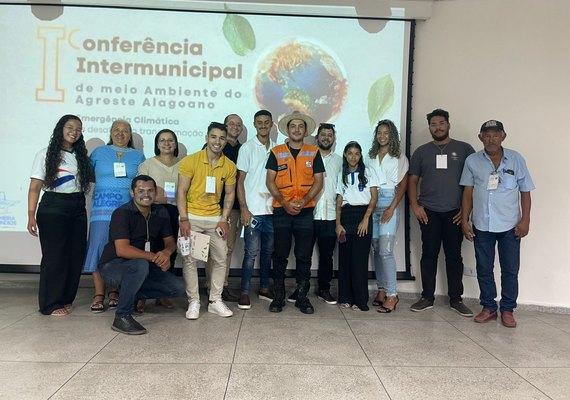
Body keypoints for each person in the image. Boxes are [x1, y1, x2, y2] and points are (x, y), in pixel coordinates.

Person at [460, 120, 534, 328]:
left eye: (495, 134)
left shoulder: (516, 159)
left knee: (510, 269)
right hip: (482, 224)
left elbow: (525, 192)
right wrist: (465, 220)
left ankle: (508, 309)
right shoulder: (472, 161)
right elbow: (468, 192)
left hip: (511, 226)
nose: (491, 139)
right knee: (484, 268)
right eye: (487, 135)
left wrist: (525, 220)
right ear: (480, 137)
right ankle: (489, 307)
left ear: (503, 136)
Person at [98, 175, 185, 335]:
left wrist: (166, 253)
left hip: (141, 267)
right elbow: (122, 250)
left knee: (177, 288)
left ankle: (131, 296)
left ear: (155, 192)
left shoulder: (161, 211)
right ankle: (122, 316)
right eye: (141, 190)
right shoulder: (122, 213)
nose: (146, 194)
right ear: (132, 192)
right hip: (113, 267)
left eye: (150, 190)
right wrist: (154, 257)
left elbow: (170, 242)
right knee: (140, 264)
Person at [408, 108, 475, 316]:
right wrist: (415, 206)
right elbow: (412, 181)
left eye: (441, 123)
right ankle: (427, 297)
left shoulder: (464, 149)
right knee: (428, 255)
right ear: (429, 127)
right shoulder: (421, 151)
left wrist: (465, 212)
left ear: (448, 125)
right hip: (429, 212)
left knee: (454, 256)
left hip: (455, 213)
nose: (438, 127)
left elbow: (472, 184)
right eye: (433, 124)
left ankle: (456, 299)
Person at [27, 114, 94, 316]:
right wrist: (31, 214)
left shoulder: (81, 156)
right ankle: (50, 303)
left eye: (78, 129)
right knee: (55, 256)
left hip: (77, 206)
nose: (74, 132)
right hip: (54, 206)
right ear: (60, 129)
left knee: (74, 255)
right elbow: (35, 187)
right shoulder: (46, 154)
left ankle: (65, 299)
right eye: (70, 127)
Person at [266, 111, 324, 314]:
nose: (297, 130)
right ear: (288, 130)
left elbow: (319, 181)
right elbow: (270, 181)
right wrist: (283, 202)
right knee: (280, 255)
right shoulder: (277, 152)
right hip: (281, 211)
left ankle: (302, 297)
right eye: (293, 126)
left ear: (306, 131)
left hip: (305, 211)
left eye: (301, 126)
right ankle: (278, 297)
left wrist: (305, 200)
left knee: (304, 256)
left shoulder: (313, 152)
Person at [84, 120, 145, 313]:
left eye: (125, 131)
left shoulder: (138, 156)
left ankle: (115, 291)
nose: (120, 134)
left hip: (127, 212)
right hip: (101, 210)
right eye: (116, 130)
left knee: (123, 250)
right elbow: (89, 175)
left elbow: (141, 183)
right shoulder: (99, 152)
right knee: (99, 248)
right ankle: (99, 293)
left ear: (130, 134)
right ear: (110, 133)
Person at [178, 122, 237, 320]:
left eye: (221, 138)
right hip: (192, 218)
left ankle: (215, 300)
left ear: (226, 141)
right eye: (213, 137)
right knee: (191, 260)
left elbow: (229, 195)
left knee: (221, 258)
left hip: (214, 219)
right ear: (206, 138)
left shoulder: (229, 165)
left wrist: (224, 219)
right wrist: (184, 218)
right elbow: (181, 191)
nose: (217, 142)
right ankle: (193, 301)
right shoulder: (191, 161)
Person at [288, 122, 342, 305]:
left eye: (330, 135)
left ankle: (324, 289)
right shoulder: (307, 155)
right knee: (303, 254)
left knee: (327, 256)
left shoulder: (339, 161)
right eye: (323, 135)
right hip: (308, 214)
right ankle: (300, 288)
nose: (326, 138)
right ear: (317, 137)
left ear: (333, 139)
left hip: (330, 216)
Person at [136, 129, 182, 312]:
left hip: (175, 212)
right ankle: (141, 295)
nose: (166, 143)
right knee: (150, 250)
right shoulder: (148, 164)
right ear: (156, 144)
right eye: (162, 140)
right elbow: (139, 190)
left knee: (170, 252)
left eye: (170, 140)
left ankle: (163, 294)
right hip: (152, 212)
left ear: (176, 143)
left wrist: (169, 199)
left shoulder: (184, 164)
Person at [365, 120, 408, 313]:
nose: (382, 136)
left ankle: (392, 294)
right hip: (372, 203)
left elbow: (403, 186)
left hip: (389, 202)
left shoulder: (400, 157)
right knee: (375, 249)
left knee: (385, 251)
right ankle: (381, 289)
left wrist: (391, 208)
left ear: (393, 136)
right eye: (379, 133)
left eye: (386, 133)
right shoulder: (370, 155)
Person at [235, 110, 276, 310]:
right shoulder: (247, 148)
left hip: (273, 211)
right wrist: (244, 208)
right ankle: (244, 291)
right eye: (259, 122)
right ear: (254, 124)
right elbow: (239, 181)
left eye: (266, 122)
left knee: (268, 252)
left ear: (271, 125)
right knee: (251, 253)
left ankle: (265, 287)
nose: (263, 125)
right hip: (253, 211)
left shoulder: (278, 149)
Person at [204, 114, 243, 302]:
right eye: (231, 124)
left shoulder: (243, 150)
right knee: (210, 249)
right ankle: (209, 286)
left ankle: (221, 286)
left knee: (226, 249)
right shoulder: (213, 147)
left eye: (238, 125)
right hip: (209, 207)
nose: (235, 127)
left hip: (232, 207)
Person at [335, 141, 378, 311]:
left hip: (363, 215)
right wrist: (338, 223)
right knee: (345, 259)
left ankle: (360, 301)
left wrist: (366, 218)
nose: (353, 157)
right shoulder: (342, 174)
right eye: (350, 153)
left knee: (359, 260)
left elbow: (373, 198)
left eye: (357, 153)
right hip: (346, 216)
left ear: (360, 156)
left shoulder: (368, 172)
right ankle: (345, 297)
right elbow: (339, 200)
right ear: (345, 155)